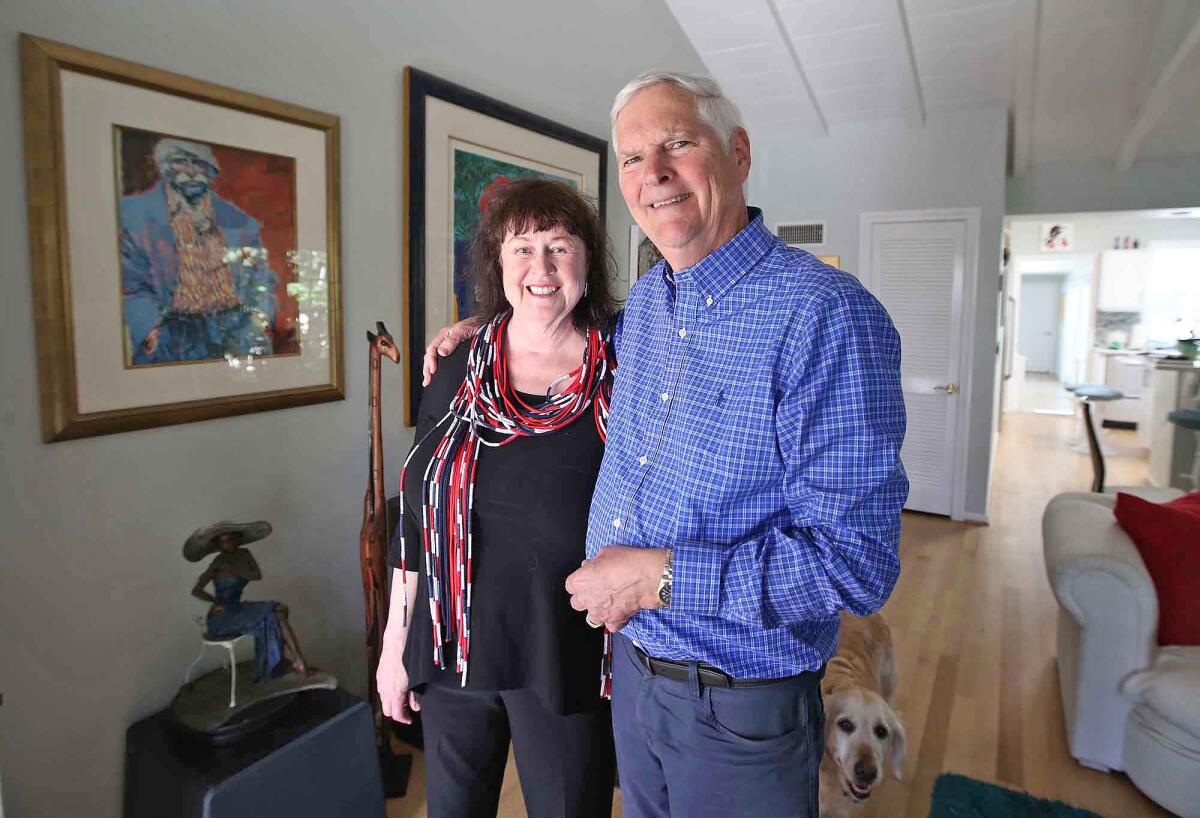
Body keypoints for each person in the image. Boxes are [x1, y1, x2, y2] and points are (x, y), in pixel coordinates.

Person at [422, 71, 908, 818]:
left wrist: (662, 581)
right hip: (634, 678)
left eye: (678, 143)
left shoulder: (825, 316)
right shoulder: (651, 303)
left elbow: (857, 563)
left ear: (738, 153)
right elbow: (555, 335)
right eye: (630, 158)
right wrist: (476, 337)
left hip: (738, 702)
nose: (653, 175)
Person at [377, 179, 618, 818]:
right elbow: (413, 517)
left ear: (587, 261)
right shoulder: (455, 367)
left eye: (560, 247)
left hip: (564, 650)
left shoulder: (626, 364)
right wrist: (393, 645)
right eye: (522, 248)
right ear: (497, 264)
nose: (541, 268)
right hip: (452, 645)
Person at [119, 138, 278, 365]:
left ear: (211, 170)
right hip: (171, 333)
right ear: (164, 167)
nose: (191, 172)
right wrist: (148, 327)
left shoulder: (238, 220)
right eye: (180, 162)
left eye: (199, 163)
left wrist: (260, 317)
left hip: (236, 328)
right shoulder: (135, 216)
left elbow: (262, 277)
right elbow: (131, 284)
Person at [185, 520, 308, 682]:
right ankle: (293, 663)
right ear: (218, 545)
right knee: (276, 614)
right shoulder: (218, 562)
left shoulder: (244, 554)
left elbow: (256, 576)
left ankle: (291, 661)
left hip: (238, 608)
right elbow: (196, 590)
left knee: (280, 611)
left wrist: (235, 570)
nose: (227, 544)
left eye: (230, 539)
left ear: (237, 539)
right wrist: (216, 602)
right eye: (222, 541)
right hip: (222, 617)